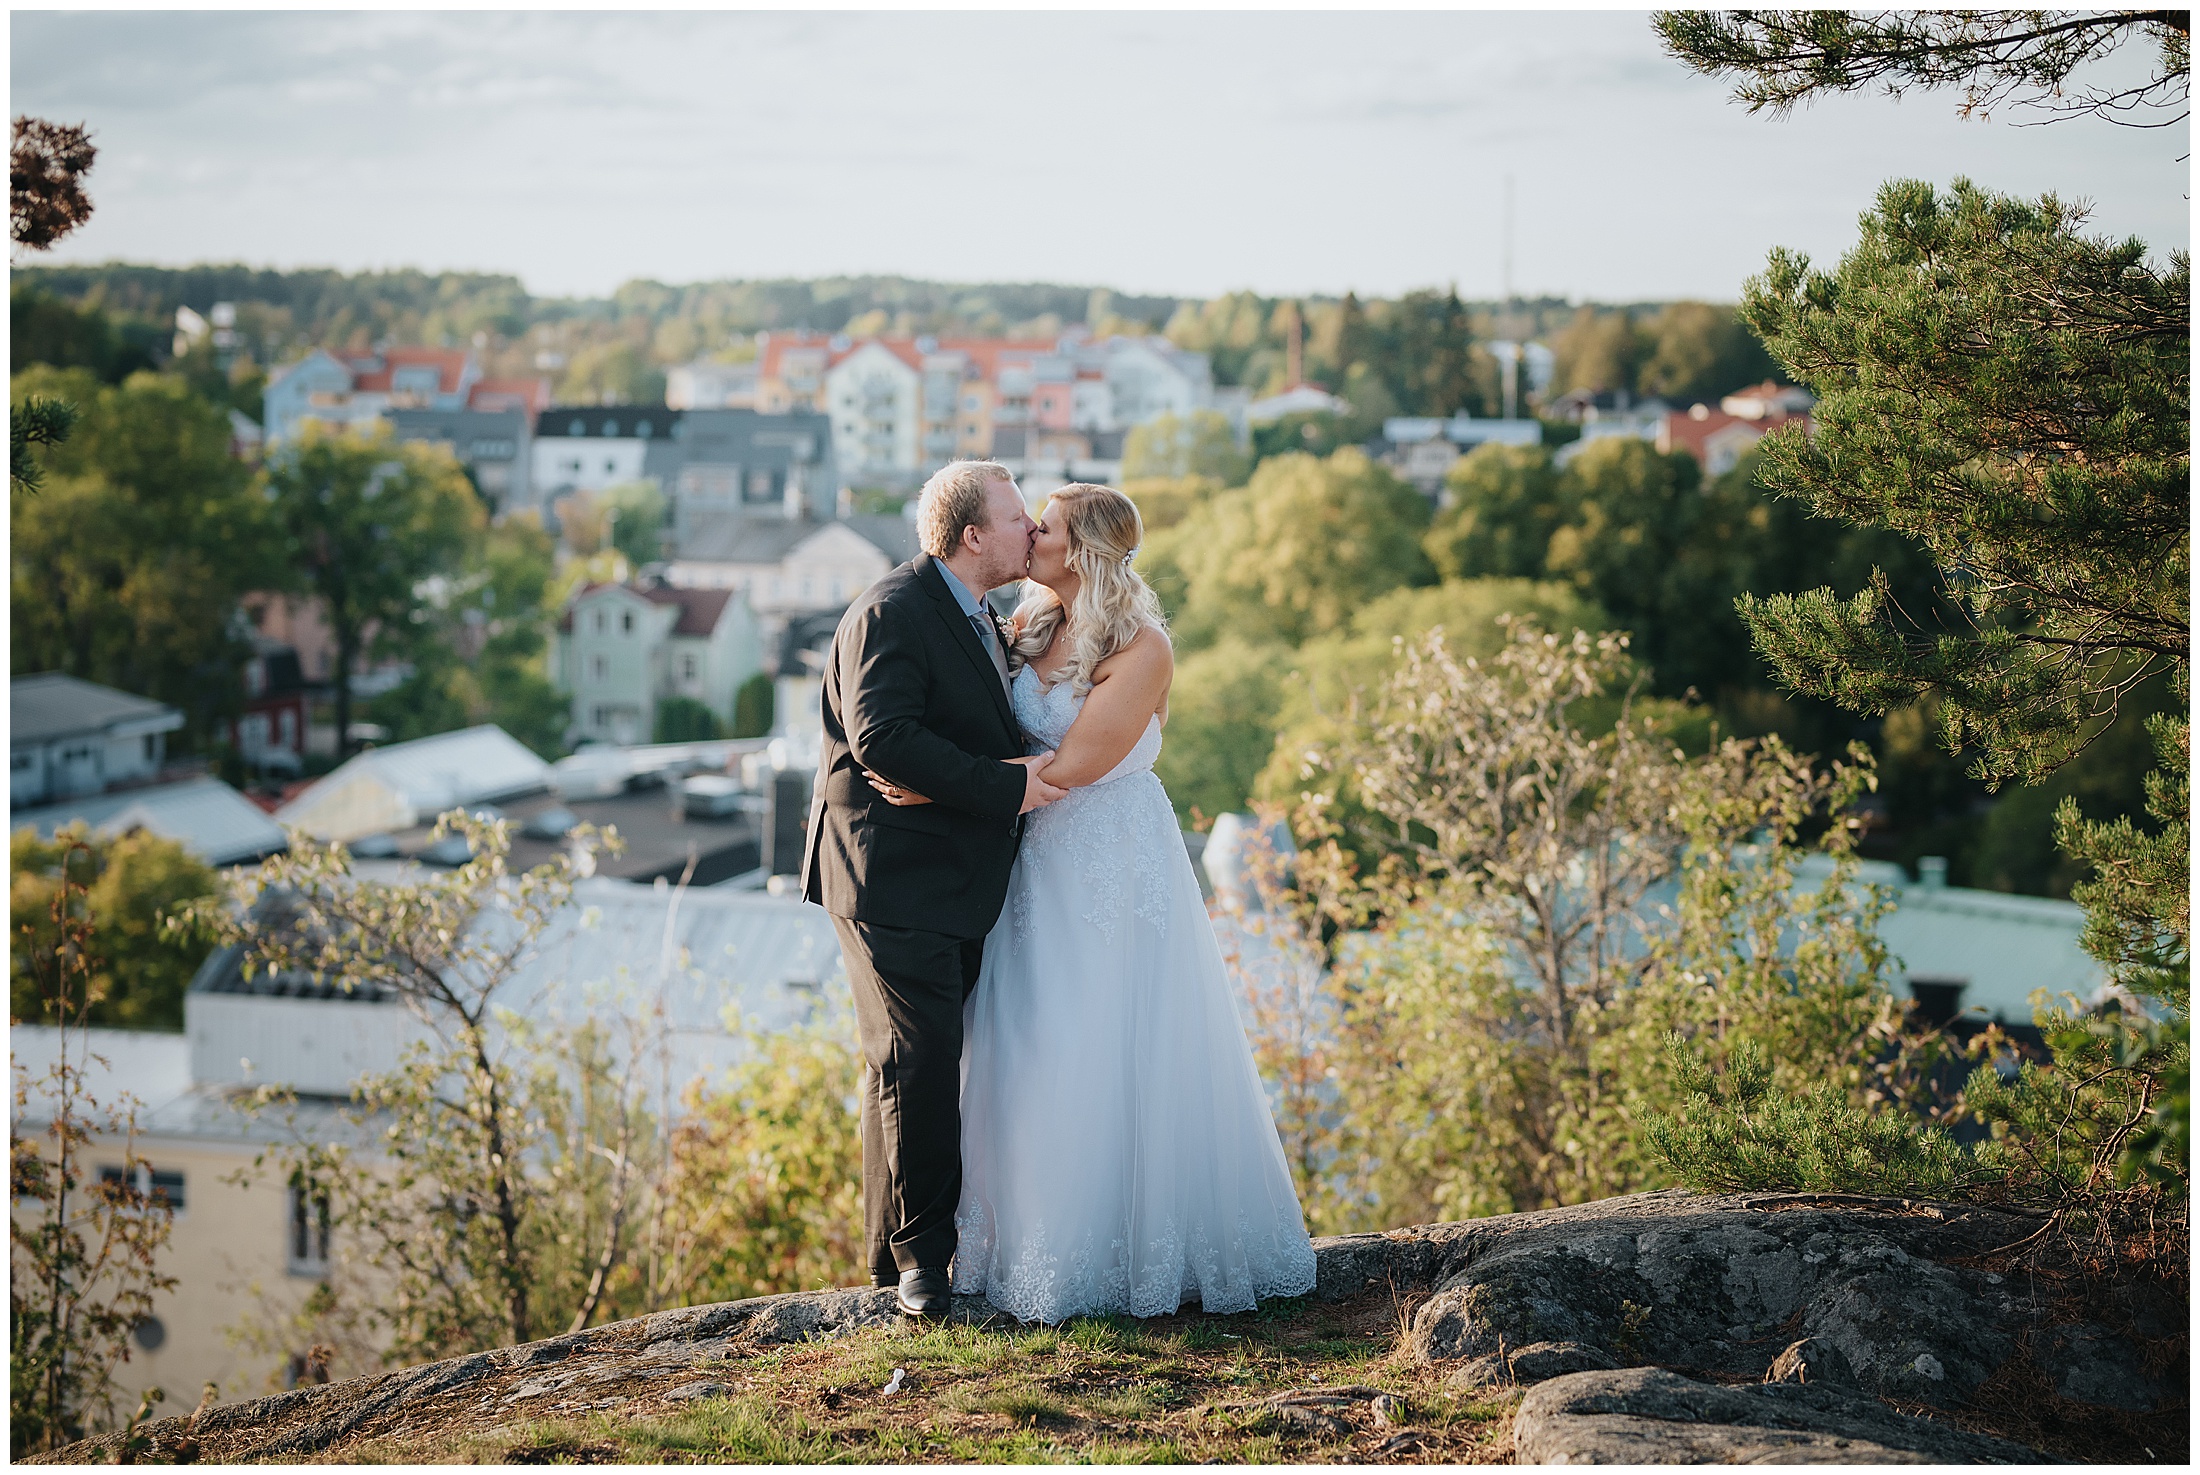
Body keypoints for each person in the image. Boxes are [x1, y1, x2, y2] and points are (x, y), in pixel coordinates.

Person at [865, 483, 1318, 1323]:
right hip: (1032, 862)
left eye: (1047, 524)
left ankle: (1128, 1249)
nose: (1030, 531)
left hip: (1110, 857)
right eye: (1027, 517)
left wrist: (929, 793)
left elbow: (1071, 767)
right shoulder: (1026, 626)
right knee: (1024, 1047)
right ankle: (1017, 1244)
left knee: (1105, 1041)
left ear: (1083, 550)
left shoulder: (1142, 647)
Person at [800, 459, 1065, 1319]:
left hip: (945, 877)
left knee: (901, 1063)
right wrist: (1007, 783)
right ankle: (924, 1262)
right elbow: (883, 736)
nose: (1032, 530)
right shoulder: (894, 609)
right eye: (1018, 516)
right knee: (919, 1061)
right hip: (890, 877)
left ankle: (892, 1260)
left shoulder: (984, 615)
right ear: (972, 534)